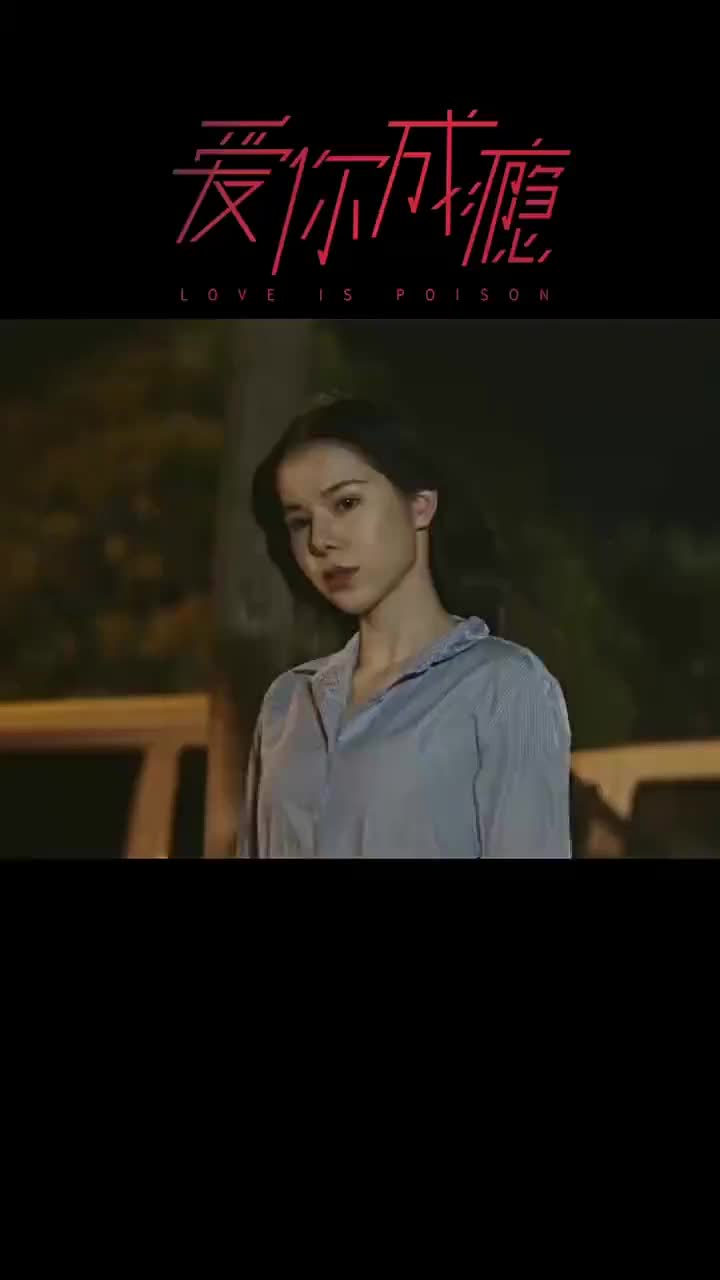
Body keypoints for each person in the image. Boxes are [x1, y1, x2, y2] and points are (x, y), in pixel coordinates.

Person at [239, 398, 572, 858]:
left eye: (346, 503)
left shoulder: (505, 688)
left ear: (420, 506)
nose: (320, 540)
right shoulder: (287, 704)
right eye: (300, 522)